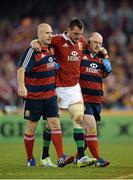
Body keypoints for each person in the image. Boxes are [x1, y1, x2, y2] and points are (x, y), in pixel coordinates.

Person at [31, 19, 96, 168]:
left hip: (74, 88)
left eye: (80, 34)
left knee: (79, 120)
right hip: (58, 88)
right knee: (50, 125)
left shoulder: (82, 42)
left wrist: (103, 52)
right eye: (75, 33)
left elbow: (92, 48)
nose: (78, 36)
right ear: (68, 30)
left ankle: (81, 156)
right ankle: (45, 155)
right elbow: (43, 40)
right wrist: (33, 42)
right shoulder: (58, 39)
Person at [17, 23, 67, 167]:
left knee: (55, 124)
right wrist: (21, 86)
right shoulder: (32, 51)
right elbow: (21, 69)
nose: (50, 35)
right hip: (33, 97)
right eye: (46, 33)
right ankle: (29, 158)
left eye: (51, 32)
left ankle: (61, 157)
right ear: (39, 35)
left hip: (50, 96)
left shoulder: (52, 49)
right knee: (31, 127)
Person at [80, 32, 112, 167]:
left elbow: (108, 70)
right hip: (83, 99)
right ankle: (98, 159)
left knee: (89, 131)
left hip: (97, 99)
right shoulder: (81, 55)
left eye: (100, 43)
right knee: (91, 128)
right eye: (95, 42)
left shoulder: (100, 58)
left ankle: (78, 156)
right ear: (88, 42)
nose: (98, 45)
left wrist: (105, 55)